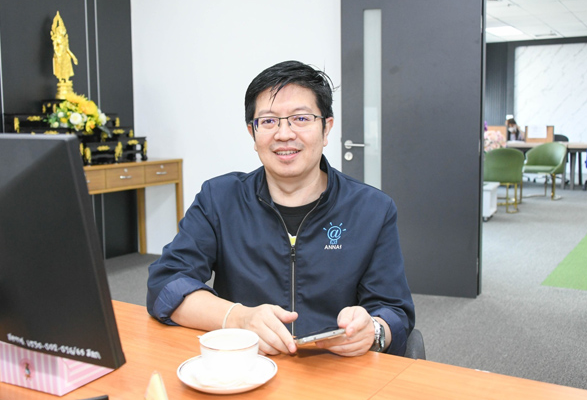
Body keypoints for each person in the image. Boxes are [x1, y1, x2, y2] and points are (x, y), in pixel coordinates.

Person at [147, 61, 414, 357]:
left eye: (301, 118)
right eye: (269, 121)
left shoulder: (372, 209)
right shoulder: (219, 199)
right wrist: (238, 318)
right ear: (252, 133)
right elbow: (166, 285)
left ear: (326, 128)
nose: (284, 134)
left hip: (334, 368)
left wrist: (372, 331)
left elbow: (394, 311)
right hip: (247, 365)